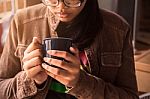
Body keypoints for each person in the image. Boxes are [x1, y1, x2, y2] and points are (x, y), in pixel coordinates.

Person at [0, 0, 139, 99]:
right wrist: (30, 80)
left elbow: (131, 96)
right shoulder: (22, 21)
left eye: (71, 0)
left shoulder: (118, 29)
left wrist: (81, 82)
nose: (60, 8)